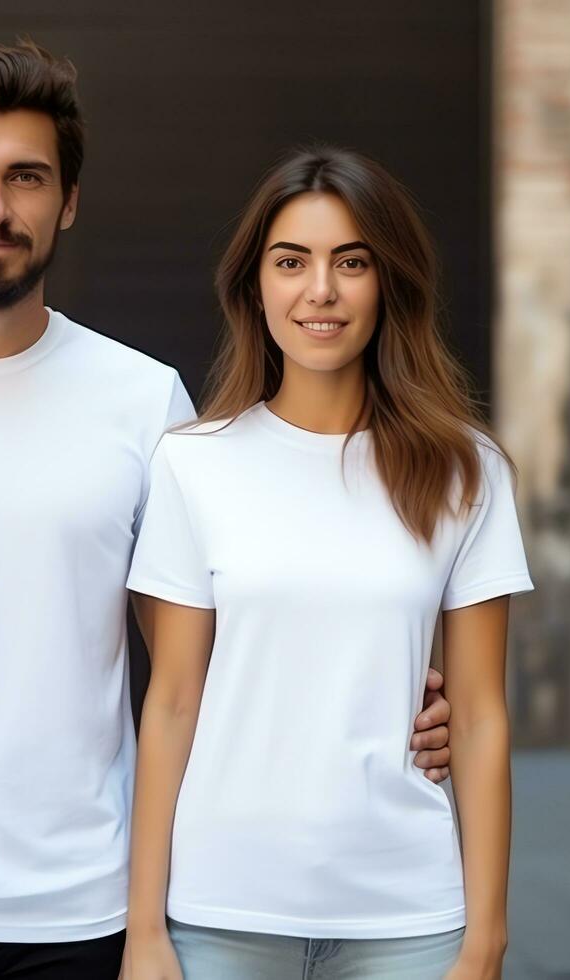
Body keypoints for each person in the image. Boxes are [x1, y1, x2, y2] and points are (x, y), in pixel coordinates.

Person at [0, 41, 454, 980]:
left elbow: (219, 652)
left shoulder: (147, 405)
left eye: (25, 177)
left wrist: (404, 692)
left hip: (93, 921)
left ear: (66, 201)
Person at [121, 146, 533, 980]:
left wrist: (484, 941)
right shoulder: (191, 464)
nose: (320, 290)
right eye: (290, 262)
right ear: (255, 286)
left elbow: (483, 715)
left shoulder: (467, 469)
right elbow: (169, 703)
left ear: (389, 283)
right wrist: (144, 931)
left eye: (351, 263)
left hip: (409, 915)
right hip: (220, 911)